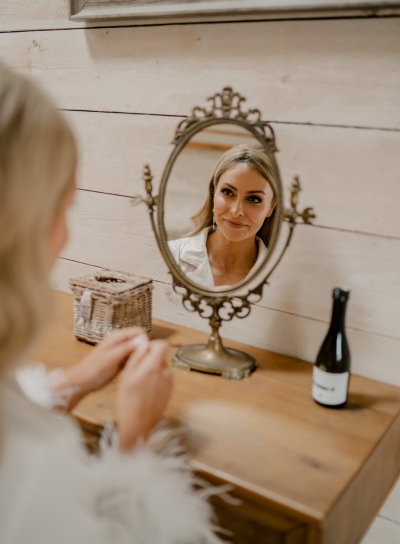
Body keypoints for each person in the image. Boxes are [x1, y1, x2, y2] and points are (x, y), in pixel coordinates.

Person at [0, 63, 222, 544]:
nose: (67, 232)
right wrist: (135, 441)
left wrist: (70, 384)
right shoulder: (35, 455)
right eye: (65, 205)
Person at [168, 143, 277, 289]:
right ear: (213, 193)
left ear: (271, 208)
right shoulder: (171, 256)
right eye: (228, 192)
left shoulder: (279, 279)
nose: (236, 211)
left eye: (254, 199)